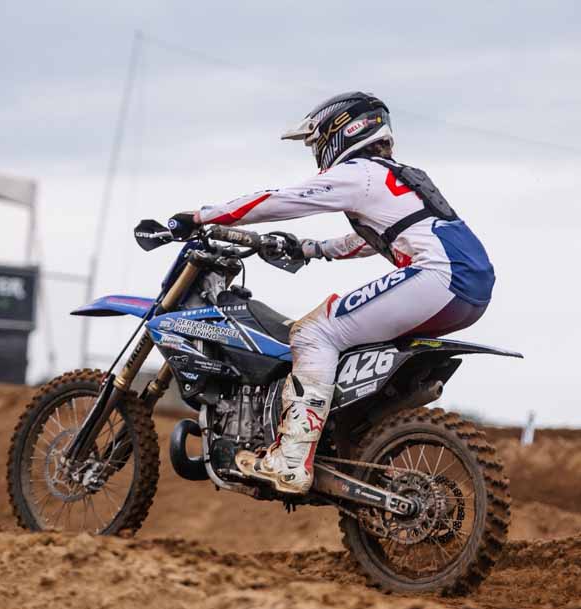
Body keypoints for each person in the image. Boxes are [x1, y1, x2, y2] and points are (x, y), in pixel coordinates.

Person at [191, 91, 495, 495]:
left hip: (439, 278)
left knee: (313, 332)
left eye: (317, 142)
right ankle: (350, 434)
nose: (316, 152)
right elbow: (375, 238)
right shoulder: (399, 176)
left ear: (341, 132)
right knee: (349, 338)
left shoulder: (359, 173)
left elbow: (281, 201)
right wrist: (313, 249)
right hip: (471, 286)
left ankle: (290, 460)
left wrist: (200, 217)